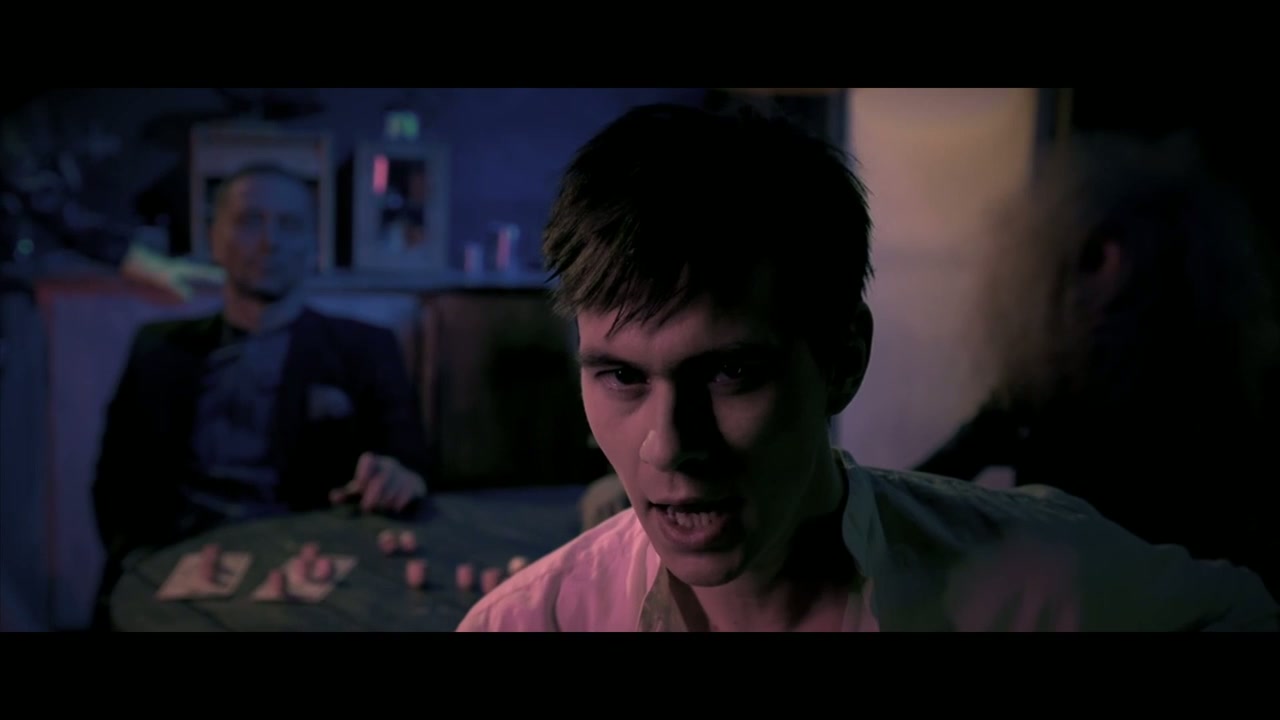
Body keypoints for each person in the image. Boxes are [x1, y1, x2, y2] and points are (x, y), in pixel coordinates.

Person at [456, 104, 1277, 632]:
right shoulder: (533, 622)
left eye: (729, 372)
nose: (667, 446)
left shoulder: (1036, 580)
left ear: (843, 360)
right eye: (621, 377)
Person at [914, 133, 1280, 596]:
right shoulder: (1035, 402)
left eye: (1146, 269)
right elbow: (910, 501)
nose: (1108, 281)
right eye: (1088, 257)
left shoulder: (1204, 422)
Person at [91, 163, 430, 628]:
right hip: (173, 568)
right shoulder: (158, 349)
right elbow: (113, 485)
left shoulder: (365, 349)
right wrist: (142, 563)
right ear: (214, 238)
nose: (271, 241)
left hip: (311, 574)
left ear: (312, 244)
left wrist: (398, 478)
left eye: (289, 225)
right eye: (251, 221)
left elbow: (411, 459)